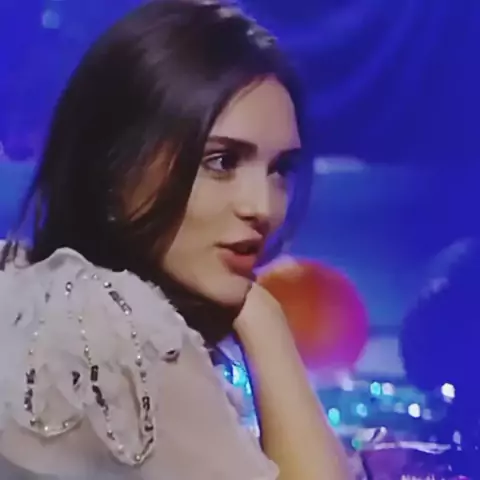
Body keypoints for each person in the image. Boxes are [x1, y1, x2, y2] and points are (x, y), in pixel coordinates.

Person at [0, 1, 349, 478]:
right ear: (114, 168)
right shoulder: (120, 333)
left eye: (278, 170)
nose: (263, 207)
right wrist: (264, 321)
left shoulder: (27, 293)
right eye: (222, 162)